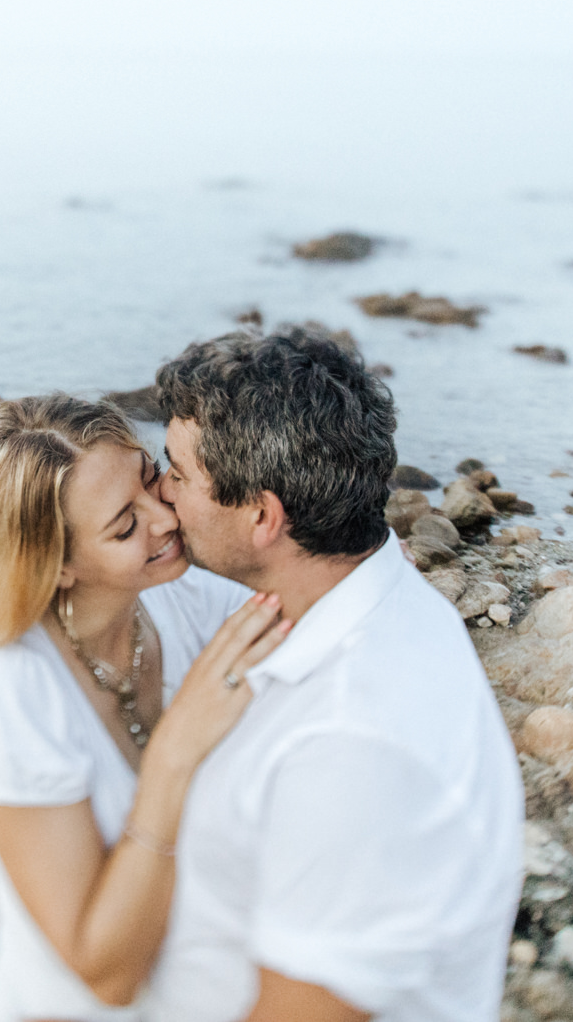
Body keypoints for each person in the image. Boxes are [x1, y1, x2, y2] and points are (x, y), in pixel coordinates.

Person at [145, 329, 525, 1022]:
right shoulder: (360, 595)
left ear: (263, 515)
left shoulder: (350, 742)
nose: (159, 489)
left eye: (176, 472)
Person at [0, 394, 294, 1021]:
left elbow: (319, 609)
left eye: (151, 479)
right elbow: (106, 975)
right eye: (124, 526)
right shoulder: (6, 688)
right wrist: (173, 756)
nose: (165, 521)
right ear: (58, 565)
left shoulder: (185, 598)